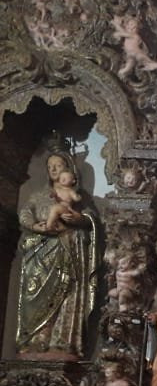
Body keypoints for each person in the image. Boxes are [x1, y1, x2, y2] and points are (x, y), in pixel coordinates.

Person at [16, 139, 99, 359]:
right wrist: (35, 226)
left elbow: (92, 220)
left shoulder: (76, 197)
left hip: (69, 249)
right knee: (37, 296)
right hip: (40, 253)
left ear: (69, 171)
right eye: (50, 166)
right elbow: (25, 214)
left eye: (58, 166)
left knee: (67, 293)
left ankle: (62, 342)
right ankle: (36, 339)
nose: (53, 169)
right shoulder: (38, 197)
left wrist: (79, 218)